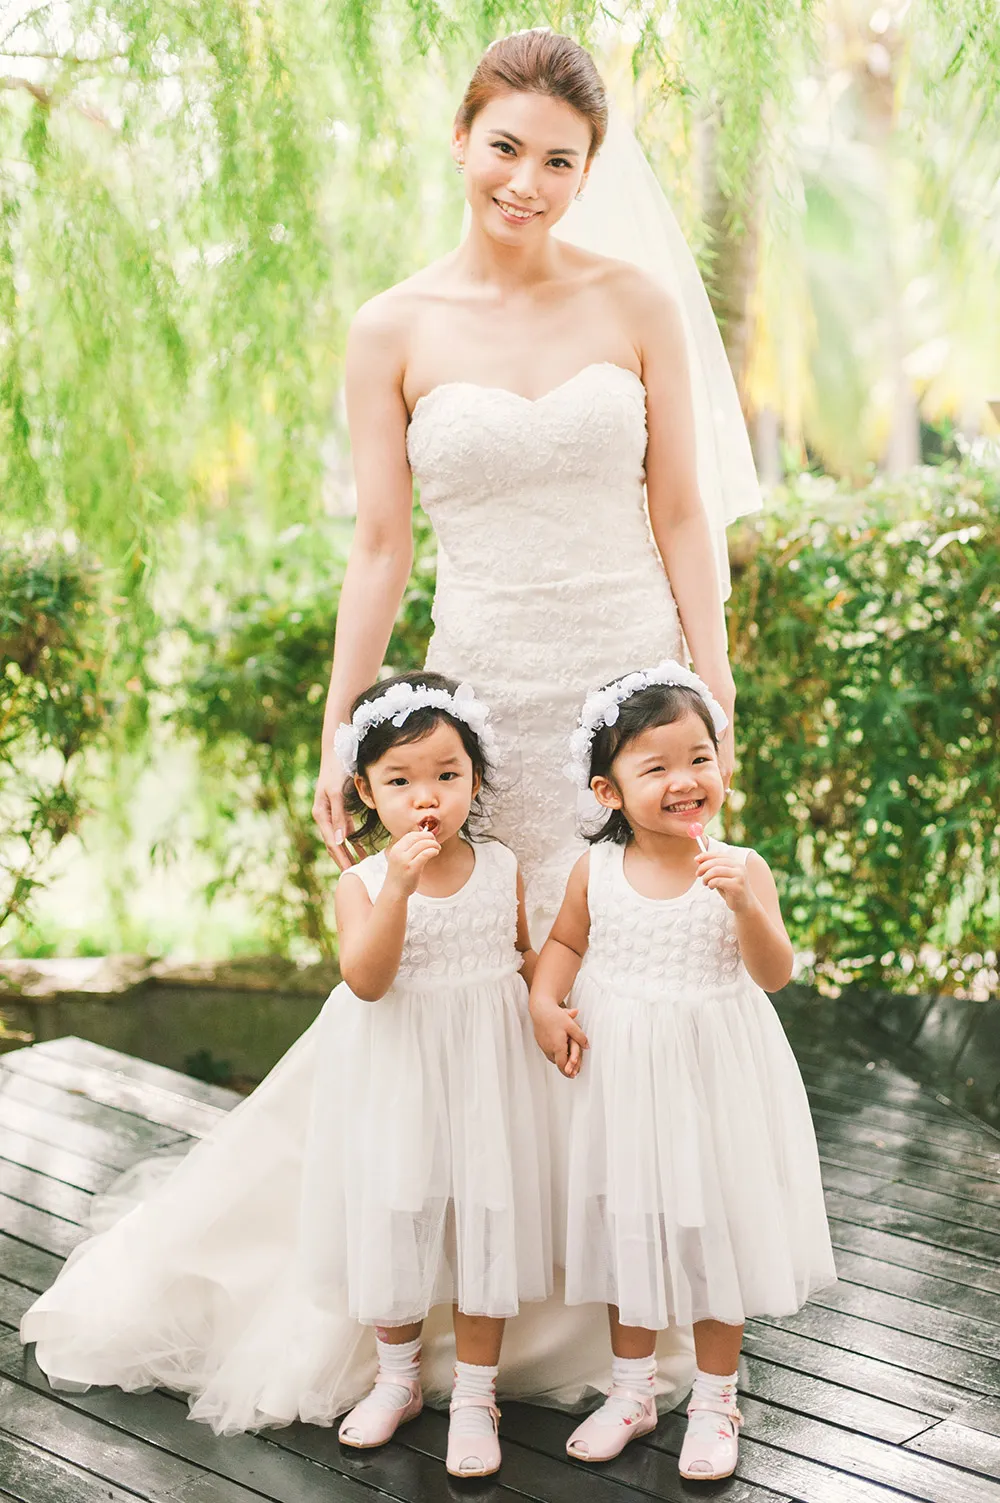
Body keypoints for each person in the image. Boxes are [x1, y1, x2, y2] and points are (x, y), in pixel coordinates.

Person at [20, 674, 553, 1480]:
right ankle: (399, 1375)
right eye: (401, 781)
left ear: (475, 779)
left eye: (447, 774)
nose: (427, 798)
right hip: (399, 1080)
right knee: (396, 1218)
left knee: (483, 1223)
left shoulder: (501, 864)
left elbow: (525, 956)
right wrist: (399, 887)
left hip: (487, 1077)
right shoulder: (364, 884)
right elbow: (367, 979)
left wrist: (552, 1007)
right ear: (367, 793)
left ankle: (478, 1396)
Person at [529, 661, 837, 1482]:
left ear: (721, 766)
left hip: (712, 1080)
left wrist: (745, 904)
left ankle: (713, 1396)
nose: (683, 779)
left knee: (712, 1235)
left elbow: (773, 972)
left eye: (699, 757)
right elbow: (562, 944)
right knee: (626, 1225)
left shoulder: (740, 865)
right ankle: (631, 1389)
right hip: (622, 1080)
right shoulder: (594, 871)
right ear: (608, 791)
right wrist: (545, 1001)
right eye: (655, 766)